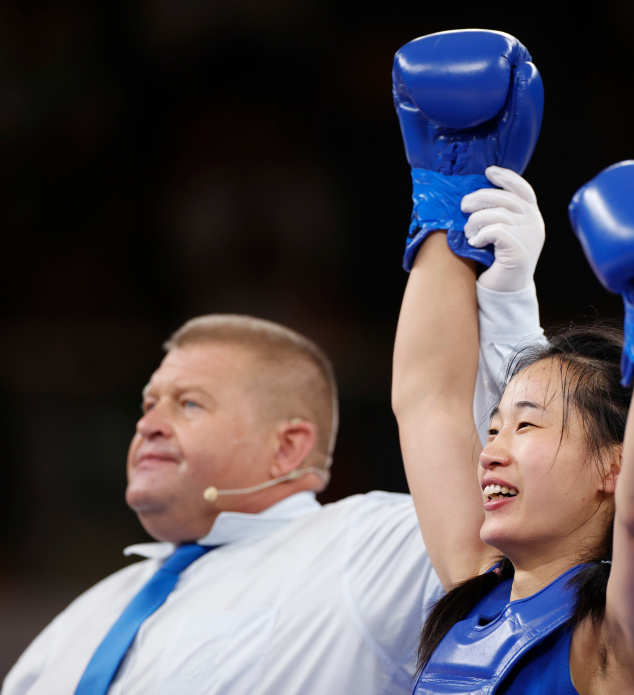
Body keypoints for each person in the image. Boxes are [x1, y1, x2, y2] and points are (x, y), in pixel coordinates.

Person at [3, 28, 546, 695]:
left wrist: (470, 240)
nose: (148, 422)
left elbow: (509, 511)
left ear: (289, 445)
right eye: (148, 402)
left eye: (189, 402)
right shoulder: (71, 627)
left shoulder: (362, 550)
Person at [392, 160, 634, 692]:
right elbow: (427, 401)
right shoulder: (475, 586)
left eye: (526, 427)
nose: (490, 452)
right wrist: (446, 190)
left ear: (615, 467)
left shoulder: (620, 642)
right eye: (495, 430)